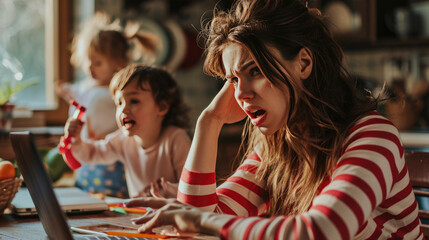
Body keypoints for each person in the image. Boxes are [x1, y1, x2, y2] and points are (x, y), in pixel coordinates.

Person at [124, 0, 424, 239]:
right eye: (232, 79)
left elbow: (323, 230)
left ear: (304, 63)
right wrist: (210, 121)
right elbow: (196, 224)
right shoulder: (275, 147)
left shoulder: (372, 135)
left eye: (254, 71)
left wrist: (200, 218)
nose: (240, 93)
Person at [55, 12, 158, 198]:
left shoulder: (119, 95)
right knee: (86, 199)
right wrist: (65, 90)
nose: (90, 67)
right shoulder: (88, 86)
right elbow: (78, 93)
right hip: (85, 160)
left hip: (109, 164)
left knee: (108, 201)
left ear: (117, 64)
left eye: (97, 63)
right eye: (88, 61)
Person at [64, 65, 191, 198]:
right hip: (137, 215)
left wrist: (167, 190)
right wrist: (76, 139)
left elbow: (192, 187)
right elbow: (90, 155)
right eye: (119, 103)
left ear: (162, 107)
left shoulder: (177, 139)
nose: (123, 110)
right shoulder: (122, 140)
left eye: (134, 101)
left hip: (174, 216)